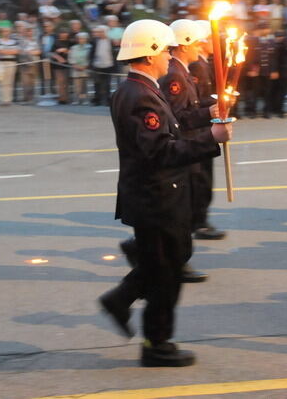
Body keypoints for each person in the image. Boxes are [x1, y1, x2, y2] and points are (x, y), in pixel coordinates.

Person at [98, 19, 231, 367]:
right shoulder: (140, 96)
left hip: (157, 194)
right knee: (166, 273)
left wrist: (208, 121)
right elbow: (159, 152)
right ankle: (157, 344)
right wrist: (211, 139)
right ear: (153, 52)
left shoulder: (141, 89)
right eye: (167, 50)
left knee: (165, 264)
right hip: (156, 197)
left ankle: (122, 303)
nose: (170, 57)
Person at [162, 19, 225, 241]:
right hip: (185, 145)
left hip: (191, 141)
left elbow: (192, 106)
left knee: (186, 202)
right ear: (185, 45)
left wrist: (213, 107)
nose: (200, 47)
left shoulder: (182, 71)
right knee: (181, 205)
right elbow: (178, 118)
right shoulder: (175, 74)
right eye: (197, 44)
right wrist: (209, 113)